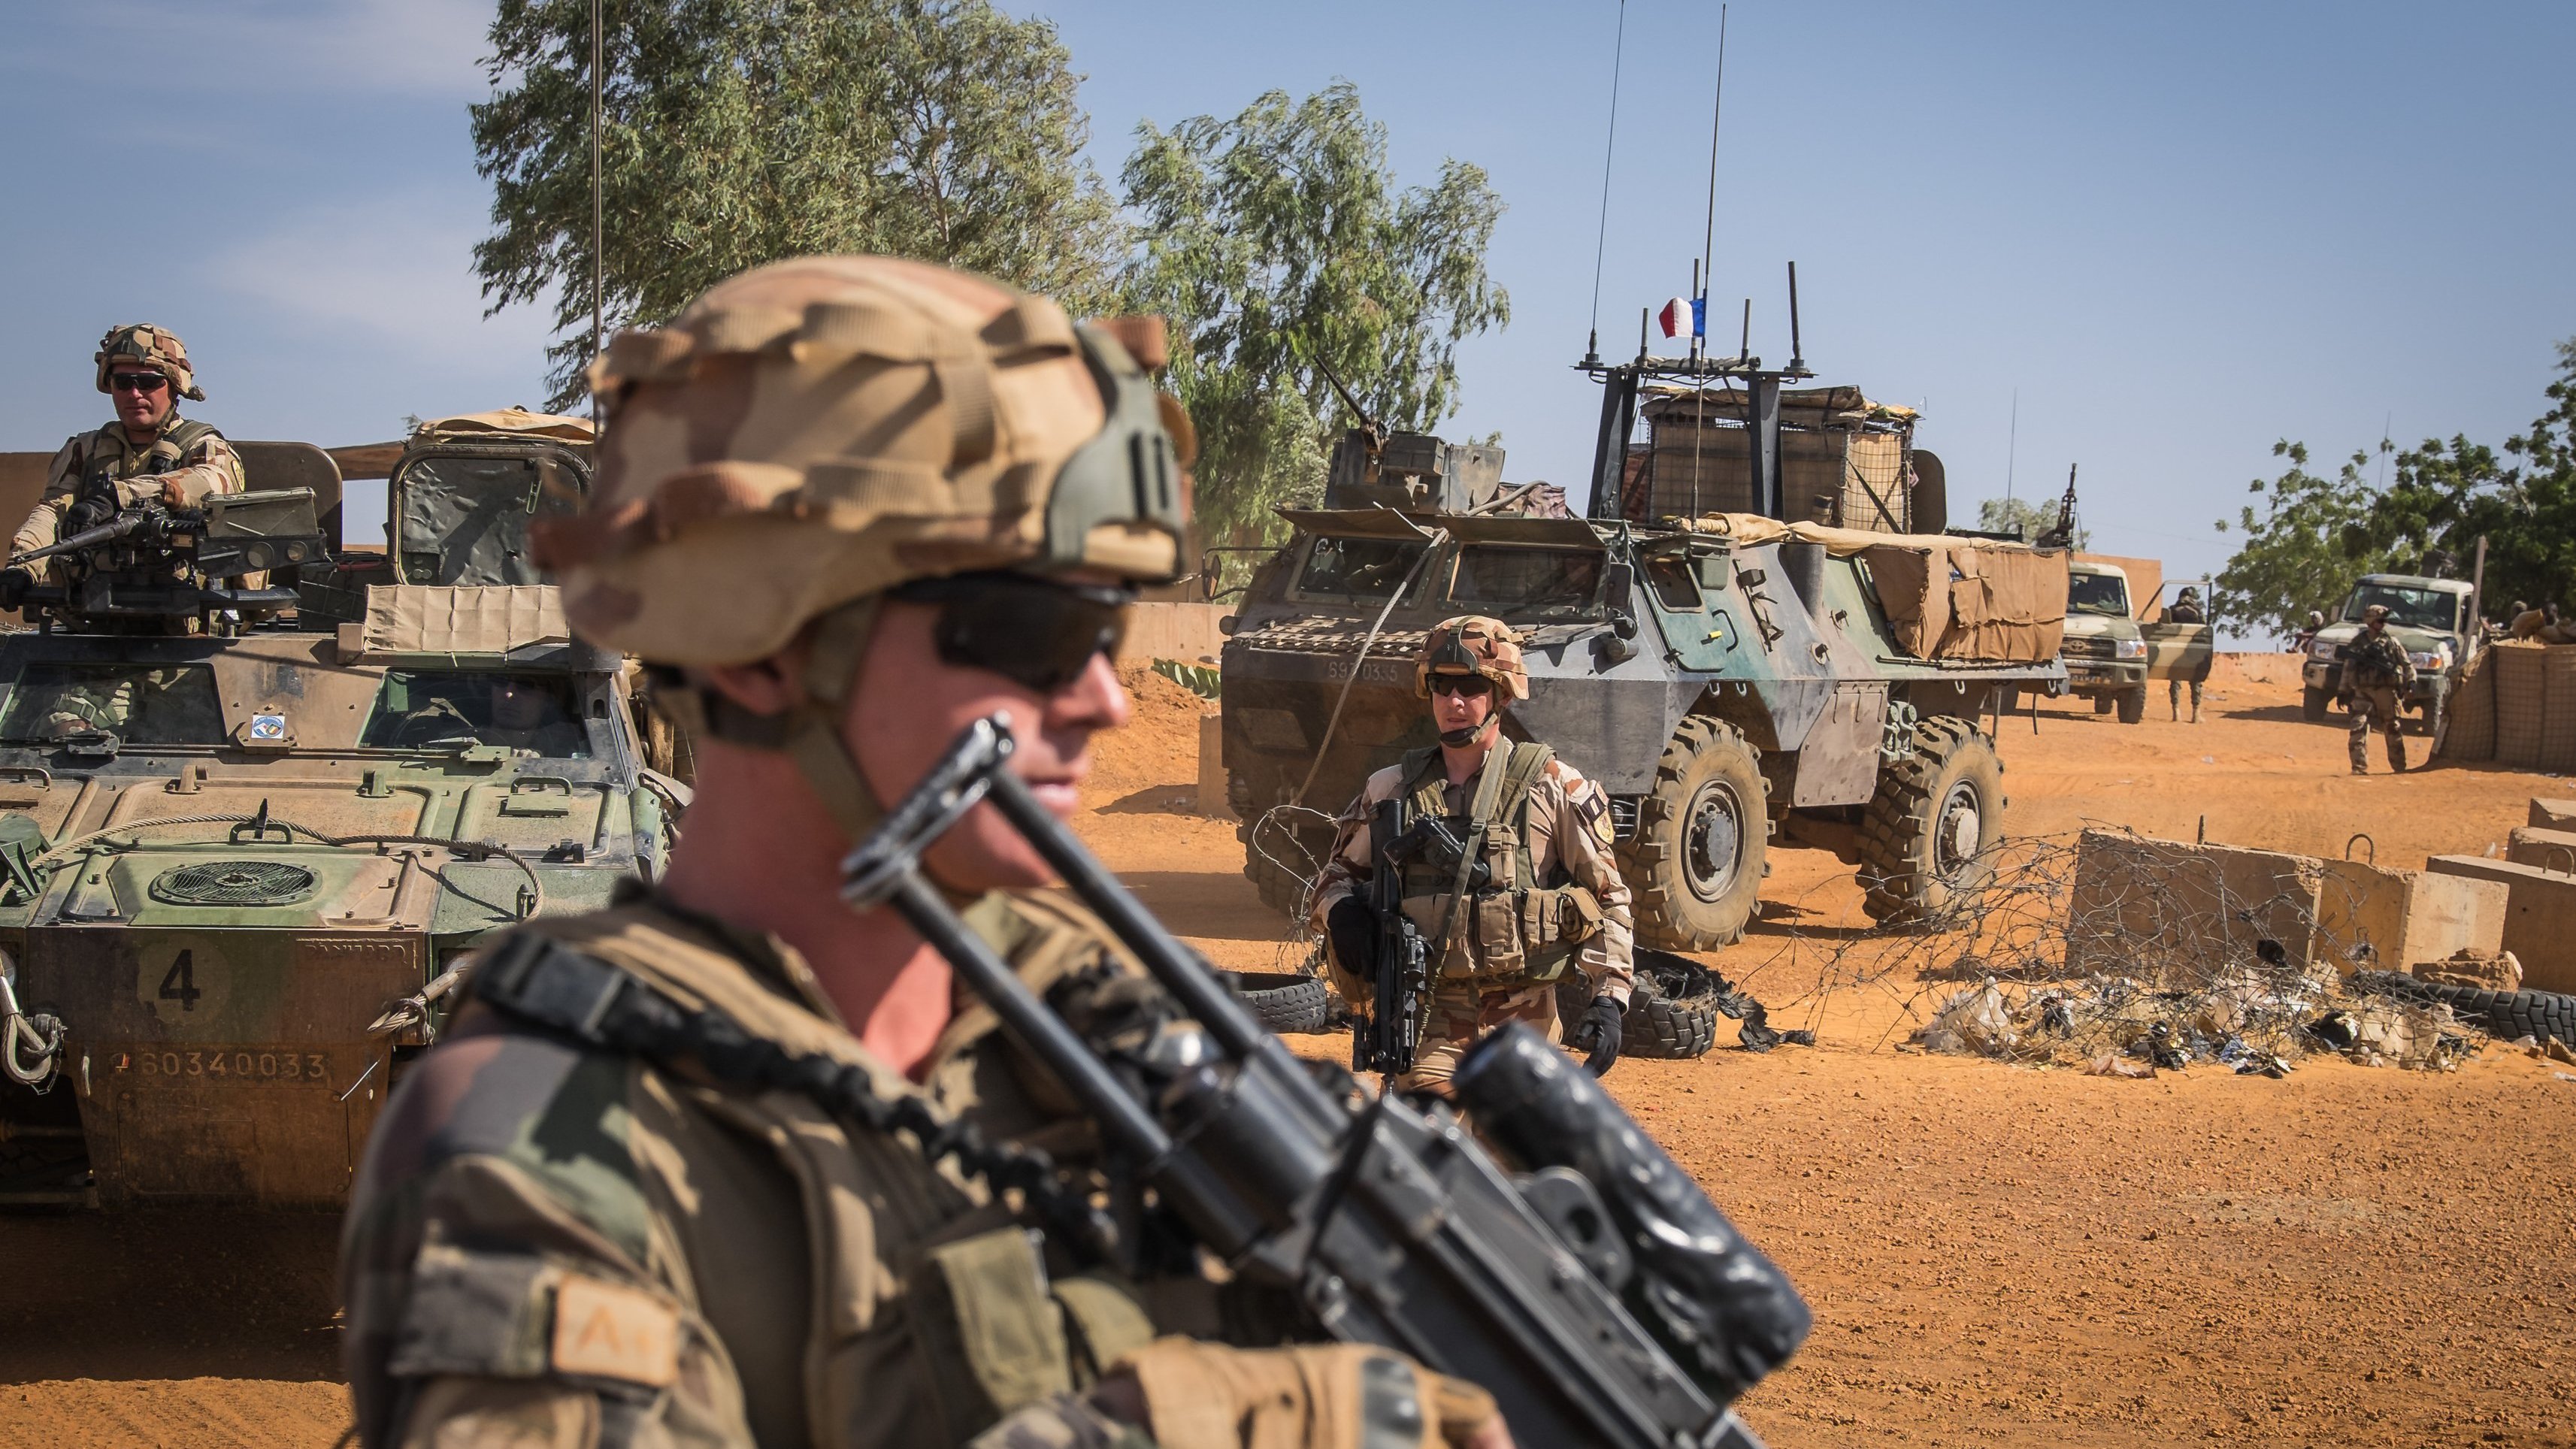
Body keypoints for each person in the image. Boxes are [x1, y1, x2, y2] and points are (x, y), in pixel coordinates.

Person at [338, 256, 1510, 1449]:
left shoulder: (1073, 1004)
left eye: (1109, 625)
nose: (1106, 697)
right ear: (760, 638)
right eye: (1040, 629)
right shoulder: (540, 1156)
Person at [1308, 617, 1636, 1095]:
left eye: (1472, 687)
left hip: (1522, 1020)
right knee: (1420, 1152)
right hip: (1426, 1018)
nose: (1454, 702)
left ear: (1501, 695)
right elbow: (1333, 878)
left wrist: (1610, 997)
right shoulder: (1390, 789)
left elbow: (1608, 896)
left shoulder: (1554, 786)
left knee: (1517, 1161)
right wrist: (1342, 913)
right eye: (1442, 686)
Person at [2, 325, 245, 607]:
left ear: (175, 385)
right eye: (123, 382)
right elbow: (53, 511)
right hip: (92, 618)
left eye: (149, 383)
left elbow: (211, 481)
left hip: (191, 623)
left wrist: (119, 496)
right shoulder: (85, 449)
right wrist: (23, 565)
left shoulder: (203, 445)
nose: (134, 393)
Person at [2336, 603, 2415, 776]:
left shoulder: (2391, 642)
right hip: (2362, 691)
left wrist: (2411, 682)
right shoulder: (2358, 643)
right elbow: (2348, 667)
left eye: (2384, 621)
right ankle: (2359, 767)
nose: (2382, 624)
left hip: (2386, 691)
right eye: (2379, 620)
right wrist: (2343, 691)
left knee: (2392, 728)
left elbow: (2406, 664)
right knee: (2358, 727)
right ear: (2370, 621)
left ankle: (2399, 767)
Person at [2163, 587, 2207, 722]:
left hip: (2175, 650)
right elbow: (2204, 627)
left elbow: (2165, 626)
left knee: (2175, 681)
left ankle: (2176, 713)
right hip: (2193, 650)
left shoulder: (2172, 610)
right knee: (2196, 682)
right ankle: (2196, 714)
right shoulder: (2197, 611)